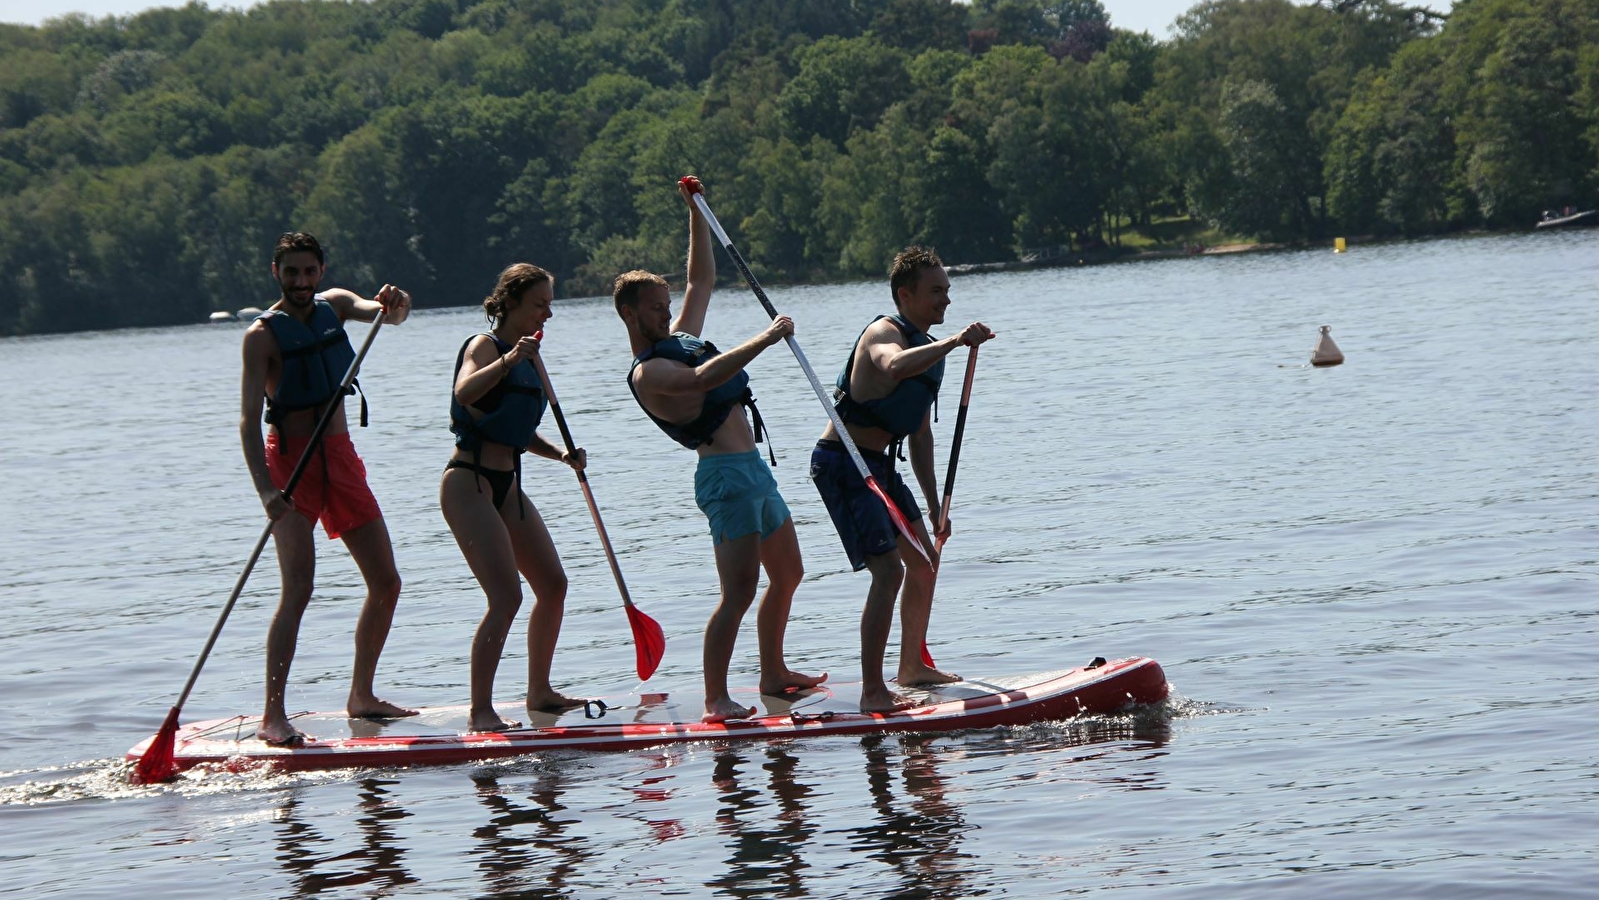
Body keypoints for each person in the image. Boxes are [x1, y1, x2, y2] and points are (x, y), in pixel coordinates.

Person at [615, 176, 825, 722]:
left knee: (790, 573)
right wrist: (766, 337)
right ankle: (715, 699)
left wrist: (695, 211)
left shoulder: (673, 339)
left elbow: (700, 279)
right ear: (631, 316)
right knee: (738, 592)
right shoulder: (650, 372)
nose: (667, 314)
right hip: (724, 478)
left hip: (755, 470)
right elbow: (703, 379)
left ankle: (774, 673)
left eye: (666, 305)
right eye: (656, 309)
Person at [239, 231, 416, 746]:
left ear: (320, 271)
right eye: (291, 272)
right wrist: (266, 493)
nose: (300, 281)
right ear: (277, 272)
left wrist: (395, 303)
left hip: (338, 459)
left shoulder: (334, 305)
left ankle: (362, 695)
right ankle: (273, 714)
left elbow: (386, 314)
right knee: (298, 588)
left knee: (386, 581)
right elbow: (249, 422)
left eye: (308, 271)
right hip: (289, 467)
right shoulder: (261, 336)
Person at [810, 246, 995, 713]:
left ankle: (911, 665)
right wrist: (954, 341)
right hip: (844, 462)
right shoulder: (884, 333)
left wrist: (934, 505)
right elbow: (892, 364)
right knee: (888, 571)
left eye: (948, 292)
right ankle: (874, 691)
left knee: (925, 559)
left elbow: (920, 433)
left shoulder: (930, 353)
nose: (946, 301)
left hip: (882, 467)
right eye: (936, 292)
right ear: (904, 294)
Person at [441, 263, 588, 732]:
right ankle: (480, 711)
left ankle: (539, 691)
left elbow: (517, 430)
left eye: (549, 304)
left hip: (509, 487)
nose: (547, 313)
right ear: (510, 303)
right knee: (506, 596)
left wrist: (562, 454)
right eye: (538, 304)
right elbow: (465, 393)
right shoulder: (486, 345)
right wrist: (508, 360)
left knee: (553, 585)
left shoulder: (532, 355)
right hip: (469, 482)